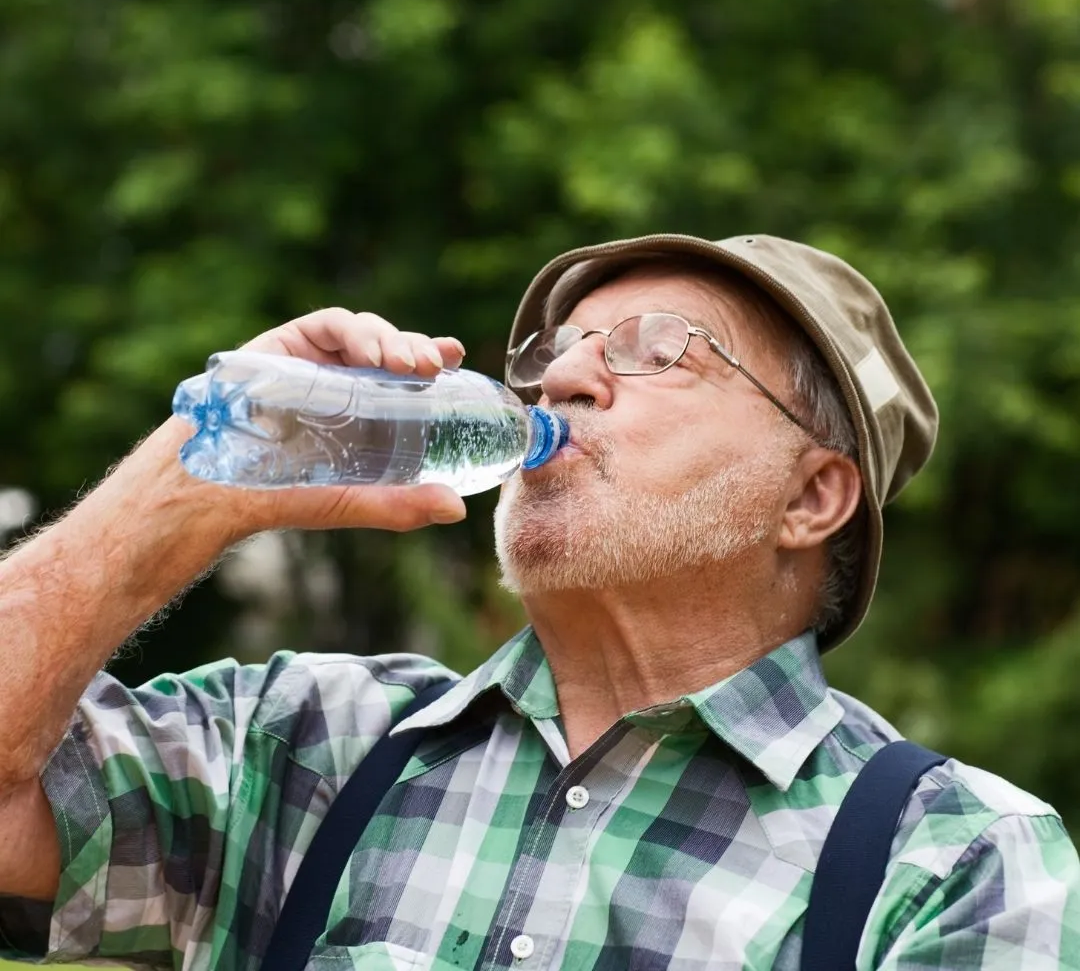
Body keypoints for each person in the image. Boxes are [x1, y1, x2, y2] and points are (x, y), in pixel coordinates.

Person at [0, 232, 1077, 969]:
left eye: (659, 353)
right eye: (555, 356)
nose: (560, 382)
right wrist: (191, 480)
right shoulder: (310, 746)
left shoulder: (953, 862)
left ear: (810, 497)